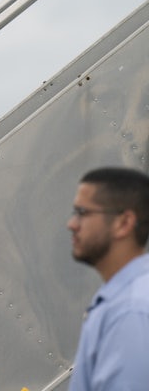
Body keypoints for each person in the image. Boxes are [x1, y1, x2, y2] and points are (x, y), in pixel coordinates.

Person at [67, 167, 149, 391]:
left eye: (82, 213)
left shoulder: (131, 310)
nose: (71, 224)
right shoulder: (119, 302)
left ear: (123, 223)